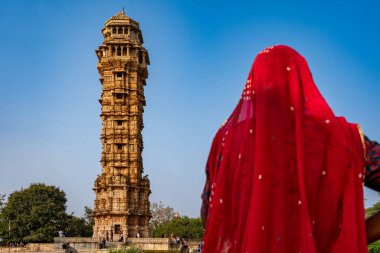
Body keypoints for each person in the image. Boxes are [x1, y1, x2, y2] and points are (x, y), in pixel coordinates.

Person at [201, 45, 380, 253]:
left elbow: (210, 216)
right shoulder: (342, 139)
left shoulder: (226, 142)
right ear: (303, 82)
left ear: (253, 84)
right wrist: (352, 235)